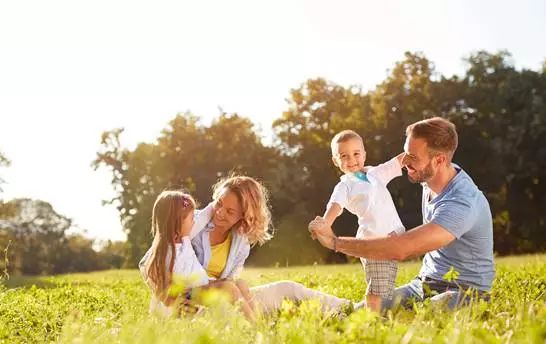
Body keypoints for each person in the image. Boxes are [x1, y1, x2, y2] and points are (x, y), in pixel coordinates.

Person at [309, 117, 495, 310]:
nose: (406, 163)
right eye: (406, 154)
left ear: (439, 160)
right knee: (362, 312)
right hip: (422, 286)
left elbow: (399, 249)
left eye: (412, 158)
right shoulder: (429, 178)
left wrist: (335, 243)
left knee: (426, 314)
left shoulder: (462, 202)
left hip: (464, 291)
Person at [193, 176, 353, 315]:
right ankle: (255, 326)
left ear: (244, 217)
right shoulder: (191, 224)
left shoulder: (240, 242)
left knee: (287, 288)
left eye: (230, 212)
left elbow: (231, 282)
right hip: (189, 302)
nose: (220, 212)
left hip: (221, 300)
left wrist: (242, 297)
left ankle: (350, 308)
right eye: (219, 203)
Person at [321, 129, 406, 312]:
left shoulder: (375, 173)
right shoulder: (345, 185)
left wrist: (416, 153)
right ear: (336, 161)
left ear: (364, 154)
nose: (351, 160)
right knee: (377, 287)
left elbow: (397, 162)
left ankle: (374, 314)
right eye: (344, 156)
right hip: (373, 240)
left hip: (394, 236)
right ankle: (371, 318)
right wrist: (325, 223)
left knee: (385, 284)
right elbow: (335, 206)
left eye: (356, 154)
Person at [139, 190, 255, 319]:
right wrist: (173, 302)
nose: (195, 221)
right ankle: (255, 326)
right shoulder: (165, 250)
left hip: (200, 287)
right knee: (228, 288)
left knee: (240, 284)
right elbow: (156, 280)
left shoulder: (184, 240)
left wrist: (224, 199)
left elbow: (205, 215)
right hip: (185, 296)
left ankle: (258, 319)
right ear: (177, 222)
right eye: (191, 218)